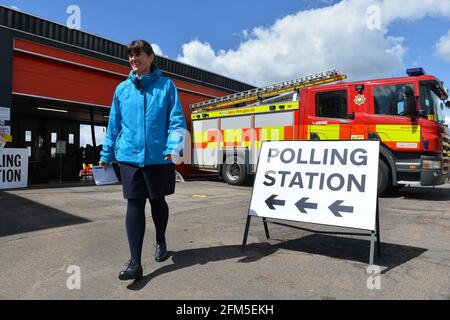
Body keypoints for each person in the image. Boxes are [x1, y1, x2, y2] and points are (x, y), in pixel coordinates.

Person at [99, 40, 187, 281]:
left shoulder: (167, 87)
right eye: (130, 57)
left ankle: (160, 239)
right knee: (134, 204)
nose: (133, 61)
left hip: (159, 158)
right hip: (129, 157)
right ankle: (135, 262)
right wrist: (106, 155)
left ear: (150, 57)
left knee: (158, 202)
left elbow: (177, 121)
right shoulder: (122, 90)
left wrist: (174, 148)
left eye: (138, 56)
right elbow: (113, 125)